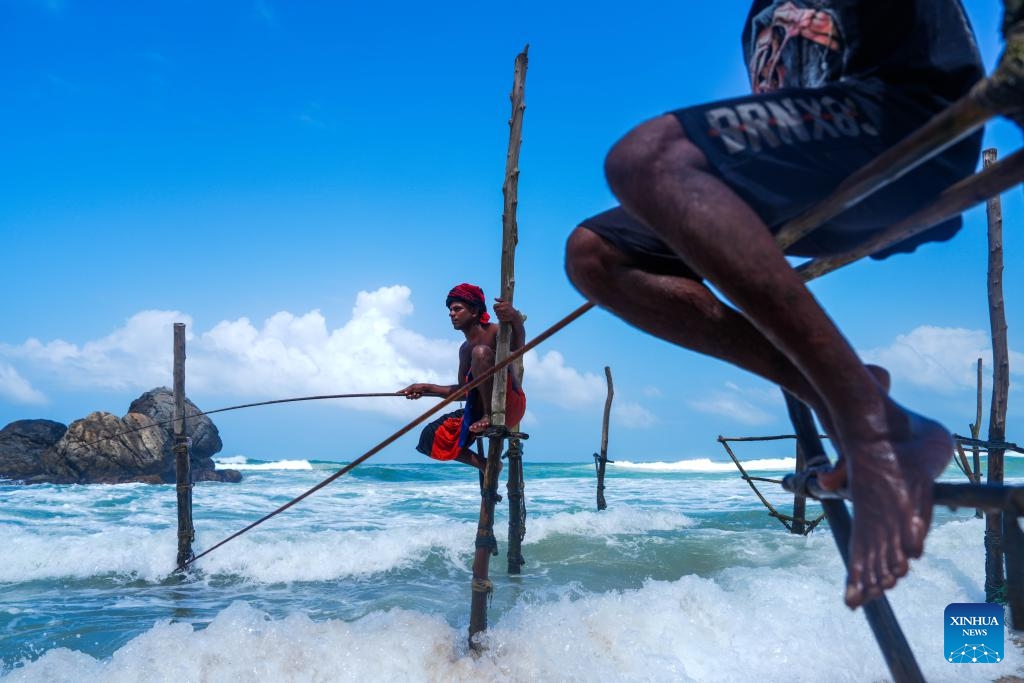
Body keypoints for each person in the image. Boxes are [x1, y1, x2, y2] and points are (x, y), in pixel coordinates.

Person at [564, 0, 985, 609]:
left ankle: (868, 424)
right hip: (823, 162)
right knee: (595, 254)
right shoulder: (761, 13)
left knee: (648, 158)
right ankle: (865, 411)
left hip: (914, 122)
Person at [401, 283, 527, 470]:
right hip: (478, 409)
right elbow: (465, 392)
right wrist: (426, 388)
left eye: (457, 309)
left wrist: (515, 318)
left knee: (481, 352)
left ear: (475, 310)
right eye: (450, 310)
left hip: (508, 405)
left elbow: (518, 346)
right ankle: (486, 465)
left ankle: (488, 415)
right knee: (430, 436)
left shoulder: (495, 331)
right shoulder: (464, 349)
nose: (451, 314)